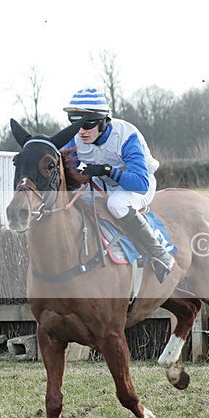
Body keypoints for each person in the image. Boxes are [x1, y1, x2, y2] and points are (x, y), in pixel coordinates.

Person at [62, 86, 174, 282]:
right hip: (102, 183)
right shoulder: (75, 137)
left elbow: (140, 183)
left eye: (87, 125)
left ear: (103, 122)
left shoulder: (127, 136)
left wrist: (107, 170)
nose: (81, 132)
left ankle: (160, 254)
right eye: (75, 124)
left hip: (139, 184)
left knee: (117, 203)